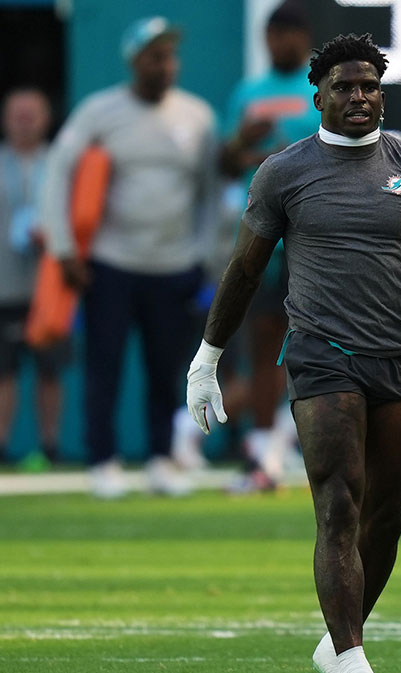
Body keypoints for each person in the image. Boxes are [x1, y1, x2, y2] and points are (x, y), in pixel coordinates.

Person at [184, 34, 401, 673]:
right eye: (345, 86)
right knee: (339, 501)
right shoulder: (285, 171)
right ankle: (351, 656)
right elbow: (243, 270)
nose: (358, 97)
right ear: (317, 94)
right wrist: (208, 357)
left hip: (395, 355)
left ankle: (337, 639)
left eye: (369, 85)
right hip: (322, 355)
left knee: (387, 514)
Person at [40, 16, 219, 498]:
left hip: (175, 266)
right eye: (155, 55)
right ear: (135, 61)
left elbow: (208, 191)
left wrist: (205, 255)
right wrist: (63, 248)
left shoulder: (197, 116)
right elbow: (58, 172)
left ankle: (161, 459)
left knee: (166, 370)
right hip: (110, 263)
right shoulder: (100, 112)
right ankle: (103, 461)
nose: (165, 64)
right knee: (105, 367)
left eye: (170, 55)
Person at [172, 0, 320, 490]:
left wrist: (282, 156)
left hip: (312, 238)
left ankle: (285, 446)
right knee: (264, 347)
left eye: (290, 35)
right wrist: (242, 143)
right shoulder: (249, 93)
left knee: (312, 351)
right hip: (265, 238)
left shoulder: (320, 88)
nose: (282, 44)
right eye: (275, 35)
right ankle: (262, 451)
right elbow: (230, 165)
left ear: (304, 38)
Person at [0, 87, 68, 471]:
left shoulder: (59, 164)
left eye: (32, 113)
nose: (25, 121)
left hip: (50, 288)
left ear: (46, 118)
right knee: (3, 370)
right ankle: (2, 444)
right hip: (4, 285)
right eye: (17, 113)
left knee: (50, 369)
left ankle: (51, 444)